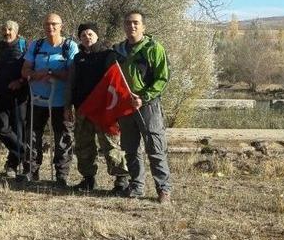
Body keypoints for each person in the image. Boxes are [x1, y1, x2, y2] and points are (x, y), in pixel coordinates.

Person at [115, 11, 173, 204]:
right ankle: (136, 186)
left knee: (155, 148)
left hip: (148, 105)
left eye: (136, 23)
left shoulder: (153, 48)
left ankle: (163, 189)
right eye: (128, 23)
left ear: (143, 26)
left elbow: (162, 77)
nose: (132, 26)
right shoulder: (118, 51)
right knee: (130, 149)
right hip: (125, 106)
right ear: (124, 26)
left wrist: (145, 96)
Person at [64, 23, 130, 193]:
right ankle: (88, 179)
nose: (87, 37)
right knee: (84, 146)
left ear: (97, 35)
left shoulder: (108, 55)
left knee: (110, 145)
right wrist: (67, 105)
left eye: (90, 34)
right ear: (80, 38)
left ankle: (121, 180)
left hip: (104, 110)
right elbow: (71, 83)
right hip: (82, 109)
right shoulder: (77, 58)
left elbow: (120, 75)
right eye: (84, 35)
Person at [20, 13, 78, 186]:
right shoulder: (36, 46)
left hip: (61, 102)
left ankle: (61, 175)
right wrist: (34, 74)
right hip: (37, 100)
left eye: (54, 24)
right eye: (47, 24)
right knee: (32, 136)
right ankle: (30, 171)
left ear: (61, 26)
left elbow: (72, 74)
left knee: (63, 137)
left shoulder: (69, 46)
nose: (50, 27)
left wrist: (52, 73)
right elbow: (25, 70)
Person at [0, 21, 29, 178]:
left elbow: (31, 67)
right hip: (0, 93)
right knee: (0, 127)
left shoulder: (24, 45)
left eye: (10, 29)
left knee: (18, 130)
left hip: (19, 95)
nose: (6, 32)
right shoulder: (0, 46)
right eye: (4, 29)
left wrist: (20, 81)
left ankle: (12, 166)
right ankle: (25, 152)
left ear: (16, 31)